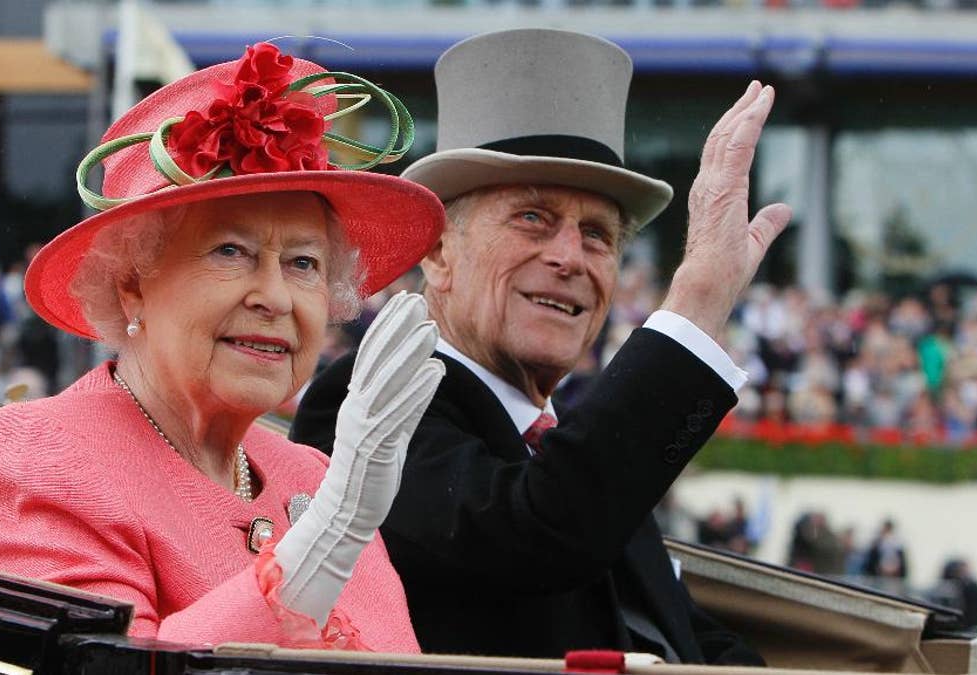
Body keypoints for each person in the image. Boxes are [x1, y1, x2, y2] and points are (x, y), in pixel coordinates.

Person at [291, 28, 791, 662]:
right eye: (532, 217)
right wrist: (696, 305)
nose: (568, 258)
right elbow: (536, 536)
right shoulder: (366, 401)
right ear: (440, 251)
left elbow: (681, 637)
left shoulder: (570, 447)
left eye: (596, 235)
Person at [0, 43, 448, 651]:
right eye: (230, 252)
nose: (276, 297)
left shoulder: (310, 474)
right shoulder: (38, 458)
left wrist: (334, 518)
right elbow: (106, 669)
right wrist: (325, 539)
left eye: (304, 263)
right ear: (132, 284)